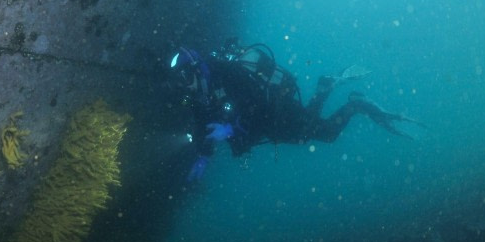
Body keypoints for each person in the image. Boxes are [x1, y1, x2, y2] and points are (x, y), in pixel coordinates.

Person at [169, 41, 418, 182]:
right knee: (308, 130)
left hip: (279, 113)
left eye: (186, 76)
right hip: (272, 126)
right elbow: (203, 125)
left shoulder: (227, 74)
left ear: (197, 68)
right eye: (180, 81)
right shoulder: (199, 94)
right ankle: (325, 85)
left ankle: (355, 104)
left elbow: (257, 105)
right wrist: (203, 156)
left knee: (326, 134)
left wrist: (230, 128)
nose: (185, 85)